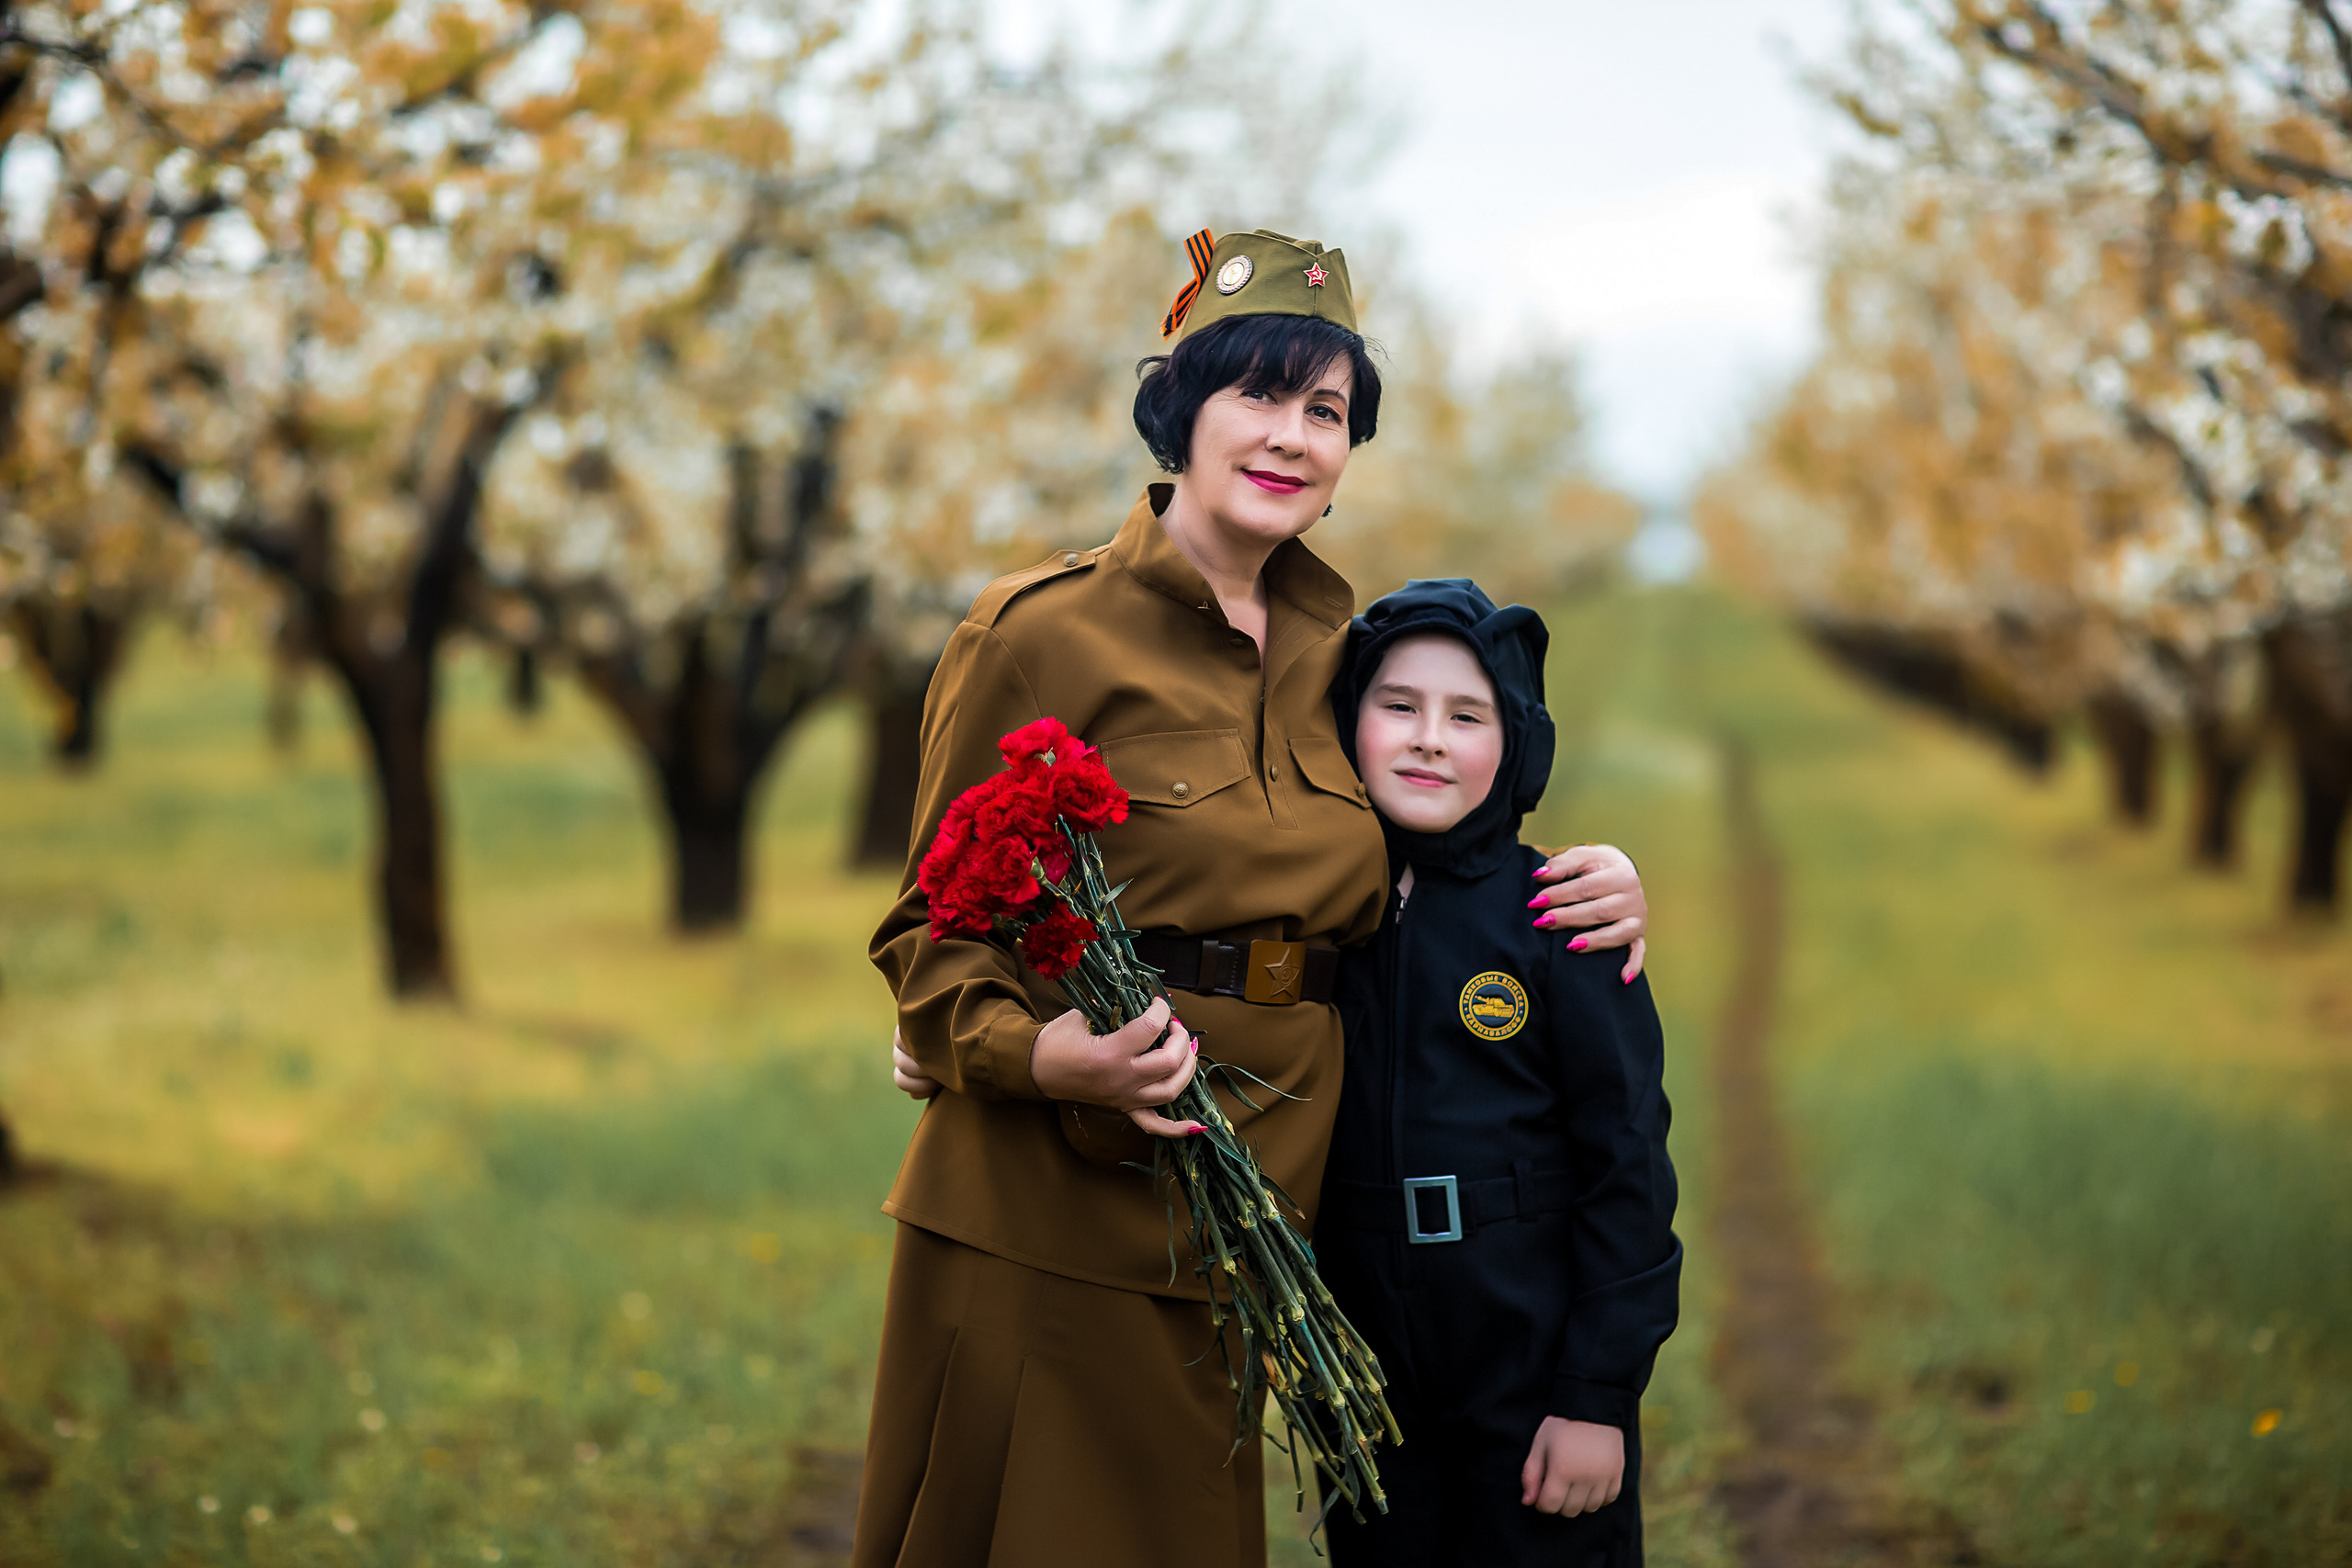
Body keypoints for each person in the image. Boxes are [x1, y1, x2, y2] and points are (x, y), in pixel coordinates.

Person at [859, 228, 1647, 1568]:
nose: (1292, 433)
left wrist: (1588, 879)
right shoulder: (1036, 631)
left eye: (1326, 409)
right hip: (1054, 1205)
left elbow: (1431, 833)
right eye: (1260, 395)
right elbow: (927, 933)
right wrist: (1043, 1051)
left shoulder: (1349, 657)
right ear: (1183, 410)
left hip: (1263, 1213)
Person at [1315, 580, 1681, 1567]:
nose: (1429, 738)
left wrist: (1594, 1399)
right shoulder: (1311, 910)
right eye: (1397, 706)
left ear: (1516, 743)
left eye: (1465, 716)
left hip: (1527, 1352)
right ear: (1344, 723)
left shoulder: (1564, 916)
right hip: (1364, 1370)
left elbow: (1628, 1168)